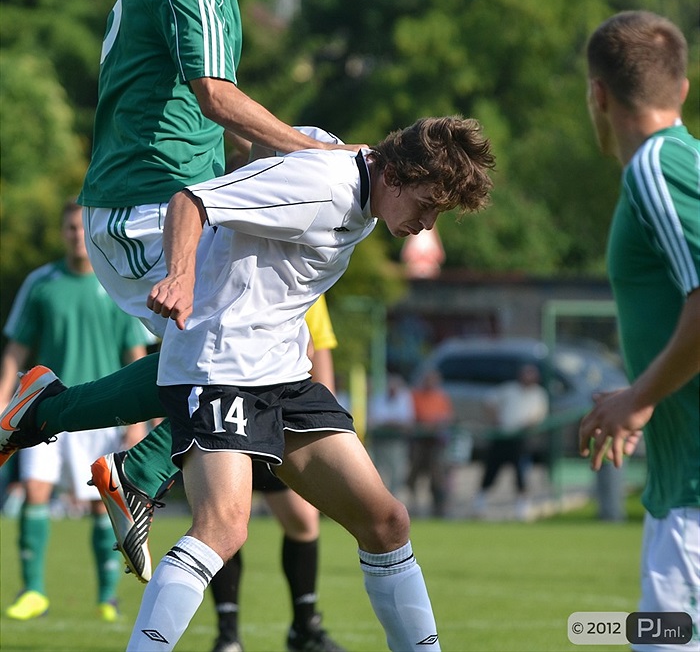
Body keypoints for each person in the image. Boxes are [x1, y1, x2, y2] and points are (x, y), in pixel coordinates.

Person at [0, 0, 362, 585]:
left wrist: (267, 176)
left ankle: (98, 444)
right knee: (236, 356)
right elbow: (214, 96)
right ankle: (98, 447)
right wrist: (317, 156)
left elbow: (220, 123)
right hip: (140, 211)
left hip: (176, 209)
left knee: (251, 350)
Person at [126, 115, 494, 652]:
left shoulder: (364, 175)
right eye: (427, 206)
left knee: (387, 522)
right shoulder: (322, 188)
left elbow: (283, 138)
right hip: (220, 364)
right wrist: (181, 275)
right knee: (224, 528)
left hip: (281, 374)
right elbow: (191, 201)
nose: (427, 225)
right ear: (395, 177)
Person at [578, 11, 699, 650]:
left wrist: (638, 397)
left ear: (598, 95)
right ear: (681, 89)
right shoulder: (680, 163)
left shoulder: (657, 167)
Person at [0, 200, 151, 622]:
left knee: (99, 502)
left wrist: (137, 421)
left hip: (105, 410)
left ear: (91, 231)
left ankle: (107, 598)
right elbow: (15, 348)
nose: (75, 236)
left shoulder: (117, 281)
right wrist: (3, 402)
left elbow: (135, 354)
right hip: (44, 409)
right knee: (34, 490)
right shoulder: (41, 282)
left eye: (80, 229)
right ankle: (33, 591)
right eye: (68, 228)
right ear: (63, 232)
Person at [209, 295, 345, 652]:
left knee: (303, 520)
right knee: (224, 524)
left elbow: (322, 351)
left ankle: (304, 626)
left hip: (279, 420)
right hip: (229, 412)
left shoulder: (307, 271)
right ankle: (228, 635)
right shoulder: (228, 263)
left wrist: (323, 421)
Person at [471, 363, 548, 521]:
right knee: (491, 469)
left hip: (520, 439)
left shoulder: (539, 394)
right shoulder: (509, 389)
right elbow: (489, 401)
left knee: (521, 472)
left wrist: (529, 423)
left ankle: (522, 508)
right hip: (502, 436)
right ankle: (480, 503)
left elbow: (539, 415)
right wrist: (495, 419)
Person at [406, 369, 455, 518]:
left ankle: (439, 509)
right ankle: (414, 506)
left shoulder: (441, 397)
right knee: (414, 474)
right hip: (419, 442)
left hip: (436, 443)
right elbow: (410, 417)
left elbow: (447, 418)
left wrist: (436, 425)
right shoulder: (415, 396)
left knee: (438, 476)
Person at [367, 373, 415, 497]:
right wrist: (393, 423)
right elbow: (375, 421)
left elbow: (407, 422)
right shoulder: (379, 398)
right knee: (380, 471)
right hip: (381, 442)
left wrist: (389, 422)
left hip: (397, 442)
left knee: (397, 472)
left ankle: (394, 498)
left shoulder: (405, 398)